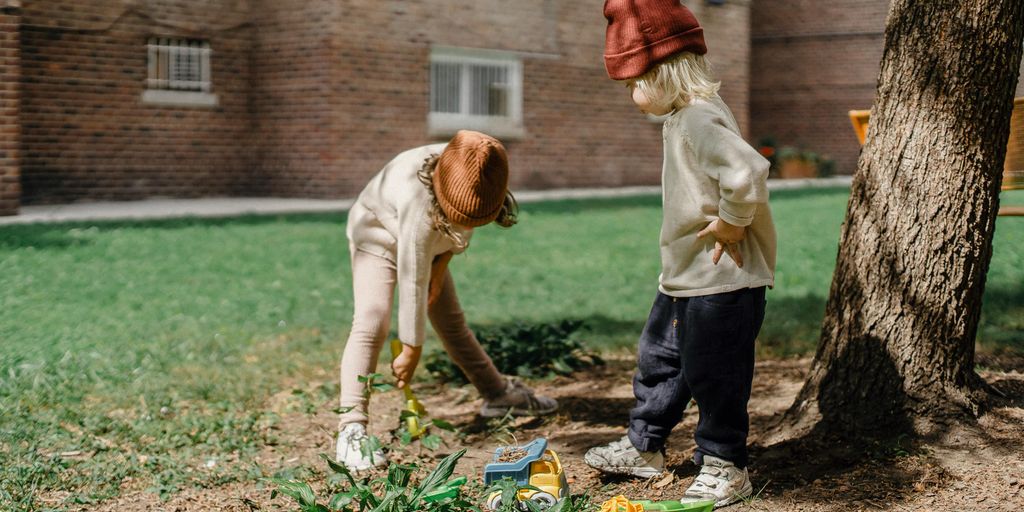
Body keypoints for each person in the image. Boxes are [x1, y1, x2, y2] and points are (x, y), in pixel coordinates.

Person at [584, 0, 776, 508]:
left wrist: (733, 224)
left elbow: (748, 171)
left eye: (634, 83)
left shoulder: (697, 118)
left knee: (716, 375)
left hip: (723, 282)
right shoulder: (680, 117)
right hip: (686, 278)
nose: (631, 94)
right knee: (660, 362)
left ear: (665, 71)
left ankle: (725, 464)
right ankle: (643, 448)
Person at [336, 130, 557, 471]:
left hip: (430, 245)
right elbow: (411, 275)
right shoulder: (416, 197)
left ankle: (497, 395)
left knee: (452, 323)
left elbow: (453, 236)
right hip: (377, 235)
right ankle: (351, 429)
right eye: (456, 215)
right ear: (440, 196)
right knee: (371, 321)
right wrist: (412, 348)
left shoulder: (477, 172)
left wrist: (440, 270)